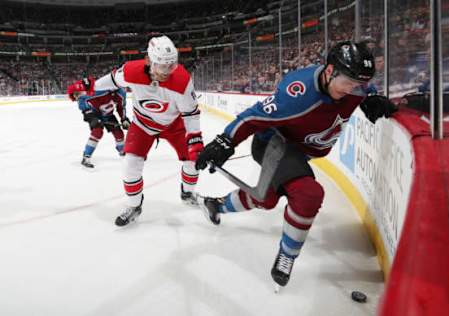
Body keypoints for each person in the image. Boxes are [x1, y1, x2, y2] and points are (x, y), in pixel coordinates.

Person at [195, 41, 397, 288]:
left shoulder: (351, 86)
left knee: (267, 199)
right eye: (349, 83)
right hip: (274, 144)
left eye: (359, 84)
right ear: (329, 71)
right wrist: (224, 141)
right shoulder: (298, 94)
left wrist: (372, 95)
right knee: (308, 194)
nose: (353, 90)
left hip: (298, 152)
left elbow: (362, 89)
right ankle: (287, 255)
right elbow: (252, 117)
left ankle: (215, 204)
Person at [94, 35, 204, 226]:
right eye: (162, 66)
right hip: (143, 125)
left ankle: (187, 193)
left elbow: (191, 114)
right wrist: (90, 86)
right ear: (150, 61)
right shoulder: (131, 71)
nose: (168, 71)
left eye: (172, 65)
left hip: (174, 125)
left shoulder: (182, 80)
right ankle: (134, 205)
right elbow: (111, 80)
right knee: (130, 164)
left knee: (193, 162)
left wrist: (195, 139)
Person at [67, 77, 130, 168]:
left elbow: (121, 108)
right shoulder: (88, 95)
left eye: (77, 94)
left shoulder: (119, 93)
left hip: (108, 115)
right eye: (76, 95)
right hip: (94, 115)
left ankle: (122, 151)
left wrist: (124, 119)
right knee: (97, 132)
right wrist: (93, 119)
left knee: (119, 133)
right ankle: (86, 156)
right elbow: (85, 110)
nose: (78, 97)